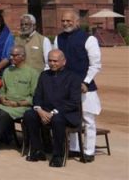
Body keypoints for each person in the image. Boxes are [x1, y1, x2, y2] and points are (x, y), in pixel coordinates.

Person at [55, 10, 102, 163]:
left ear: (77, 21)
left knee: (88, 118)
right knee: (71, 116)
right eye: (63, 21)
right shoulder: (58, 39)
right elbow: (55, 61)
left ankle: (89, 151)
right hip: (66, 86)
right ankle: (74, 148)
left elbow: (95, 65)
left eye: (69, 20)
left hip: (85, 86)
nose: (65, 23)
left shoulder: (89, 39)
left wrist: (86, 82)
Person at [22, 50, 82, 167]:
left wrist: (52, 113)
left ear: (63, 62)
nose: (52, 63)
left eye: (55, 61)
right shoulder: (44, 75)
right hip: (44, 111)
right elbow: (37, 96)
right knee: (29, 115)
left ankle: (58, 155)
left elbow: (73, 102)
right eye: (50, 61)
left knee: (57, 119)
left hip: (66, 113)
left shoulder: (73, 77)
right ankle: (37, 150)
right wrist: (39, 110)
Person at [0, 45, 40, 154]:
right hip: (6, 104)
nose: (11, 57)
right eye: (11, 55)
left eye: (14, 55)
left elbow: (34, 96)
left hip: (22, 106)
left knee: (4, 113)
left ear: (23, 57)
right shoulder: (7, 71)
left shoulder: (32, 73)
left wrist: (17, 103)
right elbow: (2, 90)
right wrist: (2, 98)